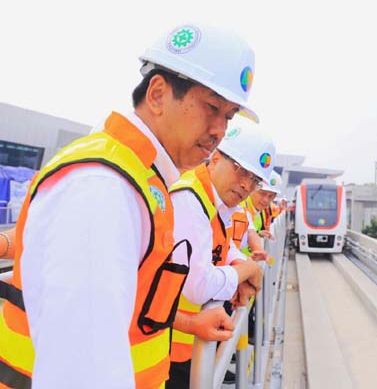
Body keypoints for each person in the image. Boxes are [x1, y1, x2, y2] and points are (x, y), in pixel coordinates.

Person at [0, 22, 257, 389]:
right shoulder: (103, 188)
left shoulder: (144, 180)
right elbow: (84, 372)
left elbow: (132, 307)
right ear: (157, 94)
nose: (219, 130)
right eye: (211, 108)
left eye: (228, 117)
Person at [167, 117, 276, 388]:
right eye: (241, 171)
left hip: (189, 341)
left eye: (254, 180)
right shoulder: (190, 199)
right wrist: (247, 270)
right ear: (215, 159)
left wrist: (239, 263)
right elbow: (199, 287)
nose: (246, 186)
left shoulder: (215, 201)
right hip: (170, 345)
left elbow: (223, 246)